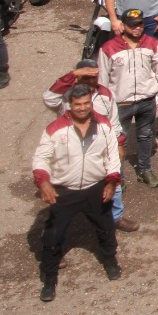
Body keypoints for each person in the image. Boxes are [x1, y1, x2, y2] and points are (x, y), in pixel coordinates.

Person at [31, 84, 122, 302]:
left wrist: (112, 182)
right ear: (69, 105)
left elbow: (112, 156)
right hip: (65, 191)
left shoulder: (104, 125)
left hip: (95, 188)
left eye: (86, 103)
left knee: (106, 229)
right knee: (53, 236)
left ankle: (110, 261)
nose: (83, 108)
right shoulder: (55, 129)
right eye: (78, 104)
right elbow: (41, 158)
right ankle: (49, 278)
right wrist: (43, 182)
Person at [97, 8, 158, 188]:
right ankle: (118, 177)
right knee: (117, 140)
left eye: (140, 24)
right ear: (123, 26)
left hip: (147, 100)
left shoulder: (152, 43)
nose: (137, 28)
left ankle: (145, 170)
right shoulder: (108, 48)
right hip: (120, 103)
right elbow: (102, 80)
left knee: (146, 136)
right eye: (132, 25)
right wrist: (103, 105)